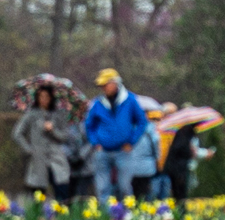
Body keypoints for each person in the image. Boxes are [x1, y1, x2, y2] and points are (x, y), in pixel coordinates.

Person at [80, 69, 146, 203]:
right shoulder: (98, 103)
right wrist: (95, 142)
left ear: (115, 83)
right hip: (102, 150)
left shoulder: (130, 100)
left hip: (123, 150)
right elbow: (89, 125)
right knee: (102, 187)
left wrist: (132, 141)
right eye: (102, 86)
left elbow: (142, 122)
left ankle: (126, 216)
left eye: (106, 84)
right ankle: (105, 217)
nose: (103, 88)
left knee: (124, 186)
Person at [12, 85, 71, 210]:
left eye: (47, 97)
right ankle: (37, 216)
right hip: (38, 157)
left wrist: (53, 130)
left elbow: (65, 136)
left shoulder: (58, 114)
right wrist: (29, 149)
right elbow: (17, 133)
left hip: (56, 157)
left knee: (61, 187)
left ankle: (61, 215)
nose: (44, 99)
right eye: (41, 97)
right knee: (37, 191)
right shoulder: (32, 115)